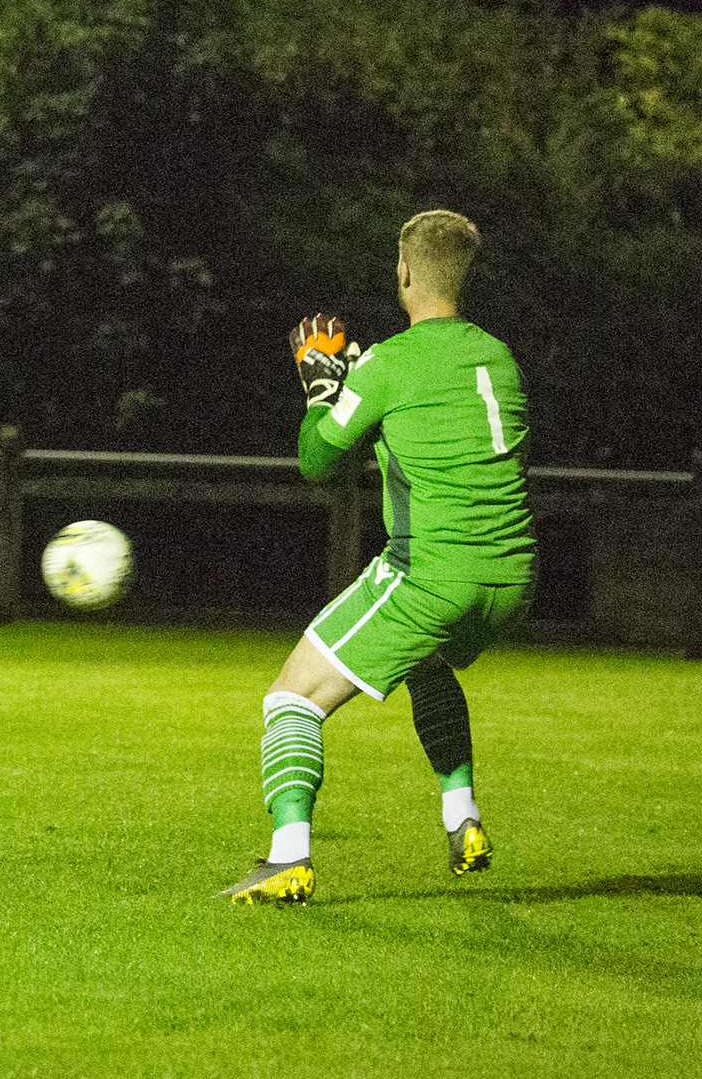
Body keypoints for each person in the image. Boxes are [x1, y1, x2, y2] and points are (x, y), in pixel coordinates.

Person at [219, 209, 534, 905]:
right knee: (428, 662)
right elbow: (436, 428)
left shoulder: (389, 365)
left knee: (290, 697)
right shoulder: (498, 357)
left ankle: (288, 858)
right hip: (512, 578)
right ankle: (464, 818)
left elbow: (317, 460)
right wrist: (369, 387)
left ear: (404, 273)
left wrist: (324, 389)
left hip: (431, 575)